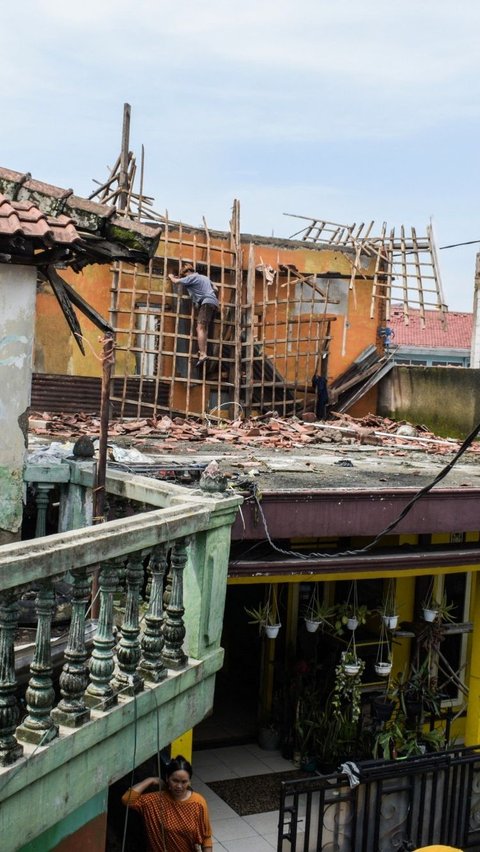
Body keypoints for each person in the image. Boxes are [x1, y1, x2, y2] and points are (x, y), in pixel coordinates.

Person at [122, 754, 213, 852]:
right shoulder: (154, 800)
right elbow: (127, 799)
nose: (179, 786)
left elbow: (206, 837)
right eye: (175, 781)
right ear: (167, 778)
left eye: (184, 782)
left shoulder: (198, 802)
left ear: (189, 782)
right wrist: (151, 780)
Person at [168, 264, 219, 368]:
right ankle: (202, 351)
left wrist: (171, 276)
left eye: (183, 276)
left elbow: (176, 282)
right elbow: (216, 288)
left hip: (206, 302)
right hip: (213, 302)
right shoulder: (204, 277)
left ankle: (203, 354)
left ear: (186, 273)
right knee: (204, 329)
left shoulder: (191, 277)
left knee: (199, 328)